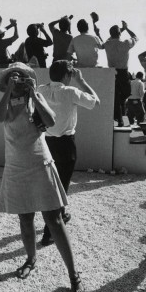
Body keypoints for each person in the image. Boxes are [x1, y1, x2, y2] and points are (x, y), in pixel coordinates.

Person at [0, 62, 85, 292]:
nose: (17, 80)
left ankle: (74, 275)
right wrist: (8, 93)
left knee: (54, 219)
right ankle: (31, 259)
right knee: (25, 218)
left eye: (21, 77)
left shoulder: (35, 98)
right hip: (16, 164)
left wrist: (34, 93)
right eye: (13, 77)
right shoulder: (6, 100)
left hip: (39, 161)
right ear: (6, 82)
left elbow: (51, 121)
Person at [37, 61, 99, 246]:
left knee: (51, 185)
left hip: (46, 143)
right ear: (66, 76)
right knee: (60, 187)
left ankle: (61, 215)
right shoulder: (71, 92)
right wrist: (82, 81)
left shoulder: (41, 89)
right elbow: (95, 101)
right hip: (65, 144)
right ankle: (49, 233)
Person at [102, 19, 139, 127]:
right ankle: (120, 118)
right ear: (120, 33)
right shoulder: (126, 43)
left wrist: (120, 30)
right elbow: (136, 37)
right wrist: (126, 28)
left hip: (111, 72)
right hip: (123, 72)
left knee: (117, 98)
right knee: (124, 95)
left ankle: (119, 117)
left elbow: (108, 40)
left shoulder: (108, 44)